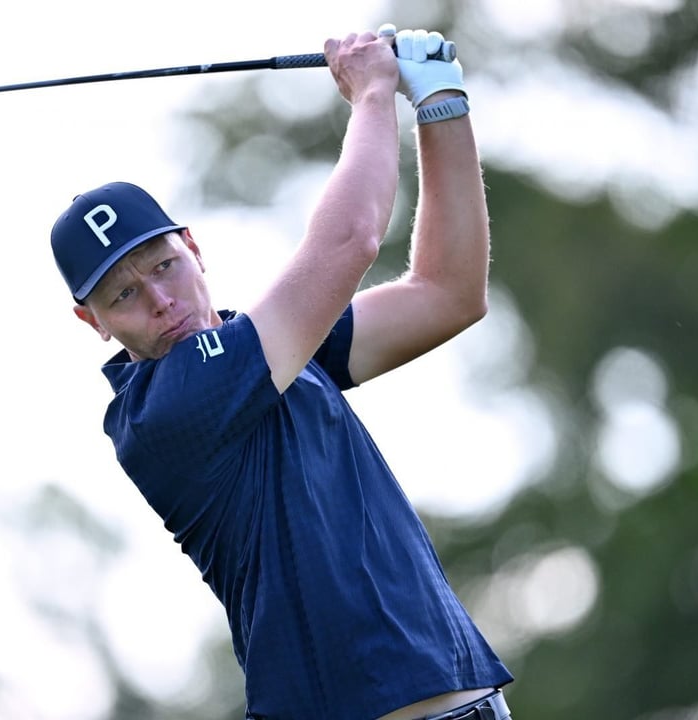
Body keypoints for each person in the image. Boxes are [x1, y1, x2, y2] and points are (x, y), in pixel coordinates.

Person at [49, 25, 513, 720]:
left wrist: (441, 106)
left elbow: (449, 292)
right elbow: (351, 239)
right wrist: (373, 93)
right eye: (123, 295)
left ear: (194, 249)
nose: (161, 301)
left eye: (164, 266)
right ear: (94, 323)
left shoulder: (270, 350)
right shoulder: (165, 411)